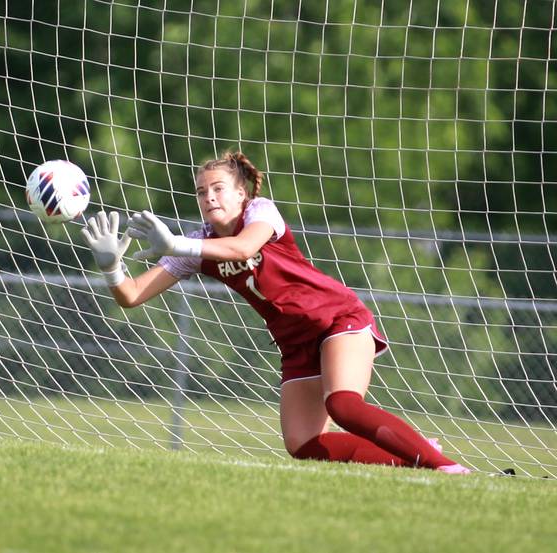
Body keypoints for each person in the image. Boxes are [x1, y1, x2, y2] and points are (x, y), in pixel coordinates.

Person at [81, 151, 471, 474]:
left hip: (337, 319)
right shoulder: (197, 243)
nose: (209, 197)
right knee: (303, 445)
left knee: (343, 404)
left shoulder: (260, 212)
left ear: (241, 194)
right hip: (295, 342)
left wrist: (177, 245)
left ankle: (446, 467)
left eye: (218, 189)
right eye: (201, 192)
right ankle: (414, 452)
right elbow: (131, 296)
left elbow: (242, 249)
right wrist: (111, 267)